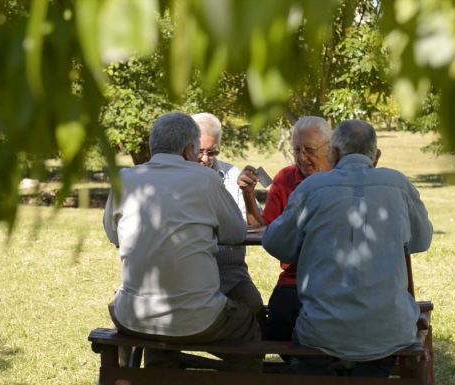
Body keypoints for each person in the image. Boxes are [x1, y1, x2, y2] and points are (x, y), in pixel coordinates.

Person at [262, 119, 433, 377]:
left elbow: (275, 243)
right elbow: (422, 241)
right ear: (376, 156)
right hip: (386, 334)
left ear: (335, 153)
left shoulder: (311, 188)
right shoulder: (398, 185)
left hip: (322, 333)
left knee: (301, 333)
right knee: (376, 355)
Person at [103, 112, 261, 371]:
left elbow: (113, 235)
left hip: (132, 316)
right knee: (248, 324)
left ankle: (161, 372)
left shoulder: (124, 179)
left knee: (162, 340)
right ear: (190, 149)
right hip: (198, 318)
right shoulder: (207, 179)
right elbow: (234, 233)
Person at [239, 116, 332, 344]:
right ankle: (300, 371)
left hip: (335, 277)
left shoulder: (340, 177)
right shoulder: (285, 178)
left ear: (329, 148)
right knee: (278, 324)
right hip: (295, 278)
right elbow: (264, 226)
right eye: (296, 150)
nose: (302, 158)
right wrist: (248, 195)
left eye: (309, 150)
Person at [192, 112, 264, 318]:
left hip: (230, 274)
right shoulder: (178, 177)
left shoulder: (233, 176)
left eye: (212, 153)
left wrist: (248, 194)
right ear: (188, 147)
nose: (205, 159)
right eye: (199, 151)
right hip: (190, 276)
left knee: (256, 314)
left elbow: (256, 226)